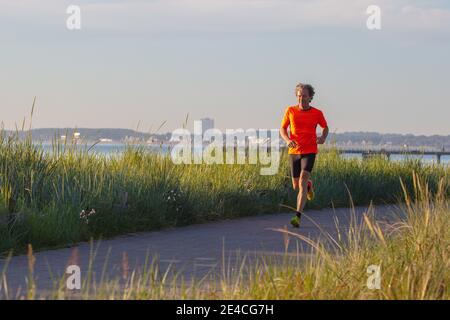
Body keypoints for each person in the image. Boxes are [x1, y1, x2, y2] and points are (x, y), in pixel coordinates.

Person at [280, 83, 329, 227]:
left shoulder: (317, 113)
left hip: (310, 150)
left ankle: (297, 216)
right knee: (296, 185)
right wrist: (288, 140)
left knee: (302, 178)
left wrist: (323, 138)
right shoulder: (290, 111)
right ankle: (308, 185)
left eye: (305, 96)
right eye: (299, 95)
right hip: (294, 152)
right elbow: (283, 128)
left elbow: (325, 127)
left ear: (310, 97)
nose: (301, 98)